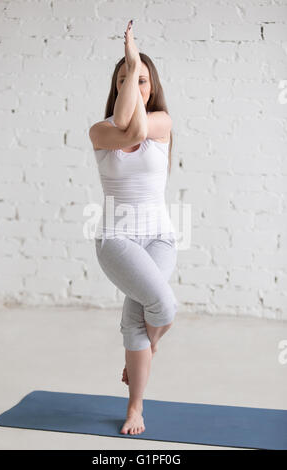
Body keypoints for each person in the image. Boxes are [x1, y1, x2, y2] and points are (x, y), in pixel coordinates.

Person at [89, 19, 178, 436]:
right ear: (116, 88)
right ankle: (146, 362)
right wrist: (129, 56)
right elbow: (127, 126)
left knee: (139, 320)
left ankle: (135, 406)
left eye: (142, 80)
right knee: (161, 307)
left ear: (152, 87)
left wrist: (132, 63)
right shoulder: (101, 131)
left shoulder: (162, 123)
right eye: (125, 79)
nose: (135, 86)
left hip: (159, 237)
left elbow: (141, 126)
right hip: (116, 239)